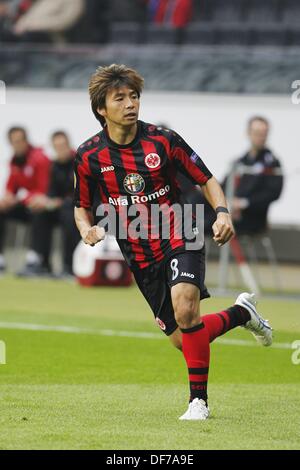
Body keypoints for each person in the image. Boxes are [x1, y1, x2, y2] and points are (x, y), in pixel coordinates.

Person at [74, 64, 273, 420]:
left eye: (134, 96)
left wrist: (223, 213)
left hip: (182, 228)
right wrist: (86, 229)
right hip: (137, 247)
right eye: (120, 98)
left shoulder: (163, 140)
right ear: (101, 109)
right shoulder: (89, 155)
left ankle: (199, 402)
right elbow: (81, 207)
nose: (130, 104)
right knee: (186, 337)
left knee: (186, 309)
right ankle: (243, 313)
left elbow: (207, 180)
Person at [21, 131, 81, 277]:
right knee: (40, 214)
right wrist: (44, 201)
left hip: (76, 208)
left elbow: (81, 193)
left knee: (69, 216)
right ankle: (42, 263)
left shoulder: (79, 163)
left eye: (63, 145)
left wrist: (59, 202)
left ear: (68, 144)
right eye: (57, 147)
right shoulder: (54, 166)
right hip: (59, 208)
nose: (60, 149)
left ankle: (69, 265)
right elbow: (52, 192)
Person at [0, 126, 50, 274]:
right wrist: (7, 199)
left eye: (21, 140)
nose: (18, 144)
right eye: (14, 141)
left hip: (40, 207)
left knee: (38, 210)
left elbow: (44, 190)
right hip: (23, 205)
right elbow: (11, 187)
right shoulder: (14, 161)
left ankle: (34, 258)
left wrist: (22, 197)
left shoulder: (40, 158)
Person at [227, 116, 284, 236]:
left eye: (264, 133)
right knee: (196, 206)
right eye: (257, 133)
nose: (261, 137)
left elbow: (273, 193)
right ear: (248, 133)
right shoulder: (240, 161)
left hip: (252, 217)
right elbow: (225, 184)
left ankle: (186, 250)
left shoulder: (272, 163)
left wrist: (243, 203)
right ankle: (184, 251)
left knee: (200, 220)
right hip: (230, 212)